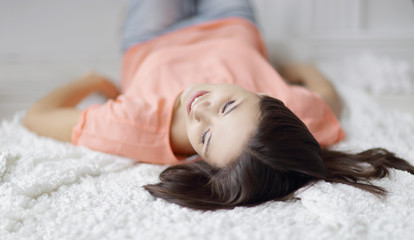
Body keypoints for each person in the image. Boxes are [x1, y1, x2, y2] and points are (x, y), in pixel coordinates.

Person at [23, 0, 414, 210]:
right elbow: (326, 99)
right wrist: (302, 68)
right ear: (266, 98)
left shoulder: (135, 126)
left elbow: (37, 117)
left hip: (152, 35)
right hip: (233, 20)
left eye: (206, 137)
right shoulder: (291, 116)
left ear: (207, 163)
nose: (199, 108)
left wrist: (92, 79)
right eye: (228, 106)